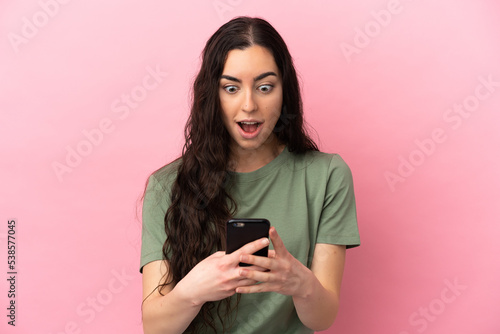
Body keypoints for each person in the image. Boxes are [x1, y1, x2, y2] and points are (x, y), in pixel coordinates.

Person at [140, 16, 360, 334]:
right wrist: (195, 289)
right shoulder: (166, 186)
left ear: (285, 91)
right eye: (231, 88)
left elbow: (322, 318)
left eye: (265, 87)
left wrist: (301, 284)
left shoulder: (326, 175)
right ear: (212, 96)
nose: (249, 104)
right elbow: (155, 327)